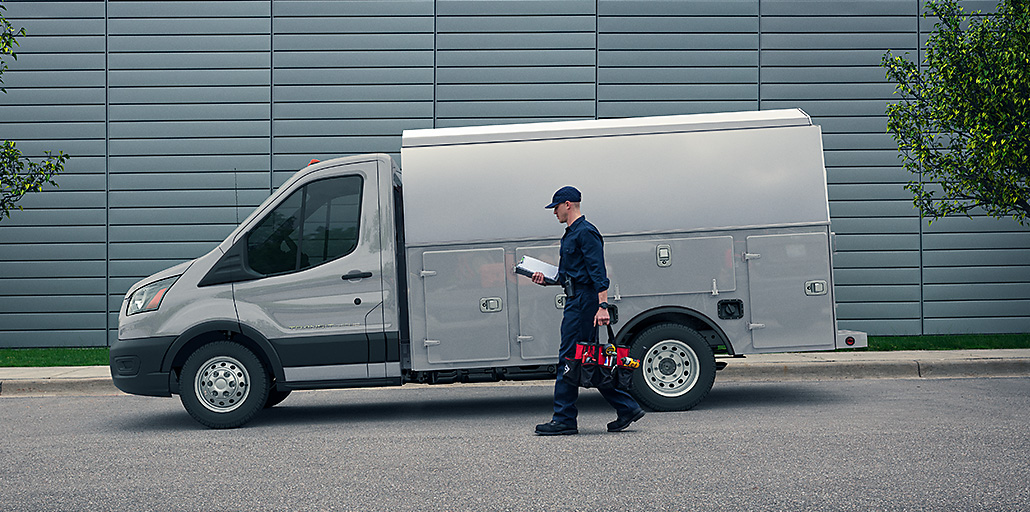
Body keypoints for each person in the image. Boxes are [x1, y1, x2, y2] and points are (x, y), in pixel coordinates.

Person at [528, 186, 645, 435]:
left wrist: (602, 306)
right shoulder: (570, 234)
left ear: (568, 204)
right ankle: (627, 408)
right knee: (585, 359)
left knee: (570, 358)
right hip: (575, 299)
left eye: (556, 207)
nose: (554, 213)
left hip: (585, 302)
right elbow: (567, 275)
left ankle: (564, 419)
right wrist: (544, 279)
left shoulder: (586, 233)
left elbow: (599, 273)